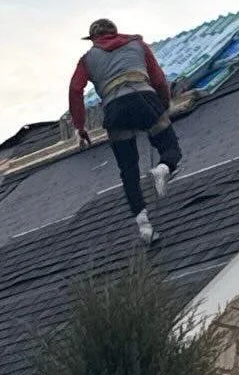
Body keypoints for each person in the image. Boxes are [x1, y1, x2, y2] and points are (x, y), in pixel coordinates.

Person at [68, 18, 182, 247]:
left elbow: (75, 90)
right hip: (144, 99)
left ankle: (144, 226)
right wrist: (163, 105)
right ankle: (163, 168)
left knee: (128, 170)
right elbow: (159, 79)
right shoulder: (138, 45)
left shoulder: (87, 59)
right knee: (171, 148)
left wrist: (81, 127)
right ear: (115, 32)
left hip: (115, 111)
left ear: (93, 39)